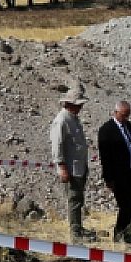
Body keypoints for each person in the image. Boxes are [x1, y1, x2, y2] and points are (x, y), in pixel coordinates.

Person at [49, 83, 92, 243]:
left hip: (79, 167)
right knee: (74, 200)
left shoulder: (73, 118)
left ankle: (78, 227)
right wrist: (61, 167)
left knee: (78, 199)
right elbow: (57, 145)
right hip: (71, 169)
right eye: (78, 105)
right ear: (70, 104)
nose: (80, 108)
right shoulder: (62, 120)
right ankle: (75, 233)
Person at [97, 100, 131, 243]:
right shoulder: (106, 130)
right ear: (116, 113)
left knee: (130, 204)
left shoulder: (128, 126)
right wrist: (108, 178)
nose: (126, 118)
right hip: (118, 175)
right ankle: (119, 234)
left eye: (128, 115)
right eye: (123, 115)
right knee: (124, 204)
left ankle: (127, 233)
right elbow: (105, 156)